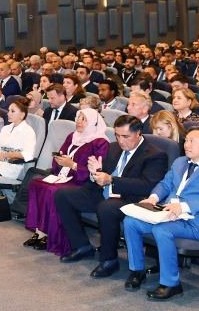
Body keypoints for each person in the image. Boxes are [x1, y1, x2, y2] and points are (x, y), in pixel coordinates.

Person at [122, 126, 199, 300]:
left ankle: (171, 284)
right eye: (186, 140)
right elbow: (165, 184)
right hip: (169, 214)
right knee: (131, 222)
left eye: (192, 141)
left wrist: (184, 206)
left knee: (162, 230)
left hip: (196, 222)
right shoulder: (180, 162)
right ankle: (137, 271)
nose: (186, 145)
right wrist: (153, 198)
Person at [55, 115, 170, 277]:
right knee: (62, 195)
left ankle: (109, 260)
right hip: (104, 192)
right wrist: (96, 173)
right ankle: (81, 246)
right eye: (117, 135)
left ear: (138, 133)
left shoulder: (154, 154)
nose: (121, 141)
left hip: (130, 199)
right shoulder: (113, 147)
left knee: (107, 207)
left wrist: (111, 180)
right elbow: (105, 175)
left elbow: (147, 185)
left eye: (126, 136)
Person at [24, 108, 109, 254]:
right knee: (37, 183)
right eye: (78, 118)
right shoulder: (72, 136)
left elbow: (97, 172)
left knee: (53, 190)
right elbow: (61, 155)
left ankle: (52, 236)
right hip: (64, 176)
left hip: (82, 182)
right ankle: (40, 232)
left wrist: (73, 165)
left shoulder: (100, 142)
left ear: (93, 123)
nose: (78, 122)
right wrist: (60, 160)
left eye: (83, 119)